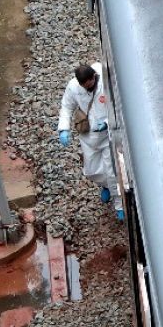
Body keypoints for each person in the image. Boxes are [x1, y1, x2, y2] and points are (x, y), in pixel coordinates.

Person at [57, 64, 122, 221]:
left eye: (89, 85)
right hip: (88, 136)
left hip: (107, 135)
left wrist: (107, 122)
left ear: (93, 77)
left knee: (112, 172)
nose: (87, 88)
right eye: (84, 86)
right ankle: (105, 185)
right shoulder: (74, 87)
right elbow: (66, 107)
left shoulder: (107, 83)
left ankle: (119, 205)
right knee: (91, 171)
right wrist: (63, 129)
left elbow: (118, 106)